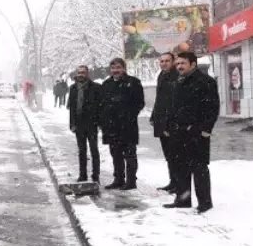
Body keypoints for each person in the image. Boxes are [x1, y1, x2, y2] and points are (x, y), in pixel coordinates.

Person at [165, 51, 219, 212]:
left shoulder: (205, 82)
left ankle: (205, 202)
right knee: (180, 167)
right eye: (178, 63)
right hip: (178, 132)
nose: (179, 66)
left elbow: (212, 107)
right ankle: (183, 199)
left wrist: (205, 130)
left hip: (196, 133)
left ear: (193, 64)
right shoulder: (178, 81)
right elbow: (172, 107)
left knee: (199, 168)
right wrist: (169, 126)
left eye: (183, 63)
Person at [100, 57, 145, 190]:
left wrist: (129, 115)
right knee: (116, 154)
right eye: (113, 68)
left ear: (124, 68)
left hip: (128, 126)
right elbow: (102, 104)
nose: (116, 70)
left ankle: (131, 181)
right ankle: (118, 179)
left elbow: (140, 102)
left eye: (118, 67)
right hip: (111, 126)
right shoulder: (106, 84)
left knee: (130, 154)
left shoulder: (133, 82)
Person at [67, 65, 102, 185]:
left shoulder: (96, 87)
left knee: (94, 150)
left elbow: (100, 107)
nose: (81, 74)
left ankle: (95, 175)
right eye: (79, 72)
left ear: (88, 74)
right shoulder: (73, 88)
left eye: (83, 72)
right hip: (79, 124)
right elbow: (71, 107)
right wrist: (72, 123)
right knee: (81, 151)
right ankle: (83, 174)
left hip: (92, 124)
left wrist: (100, 123)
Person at [151, 52, 180, 192]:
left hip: (173, 123)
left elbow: (174, 102)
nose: (164, 63)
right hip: (161, 121)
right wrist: (153, 116)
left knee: (176, 155)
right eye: (162, 61)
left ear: (173, 61)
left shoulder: (177, 76)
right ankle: (173, 181)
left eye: (167, 61)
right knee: (168, 155)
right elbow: (160, 99)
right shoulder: (161, 76)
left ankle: (179, 184)